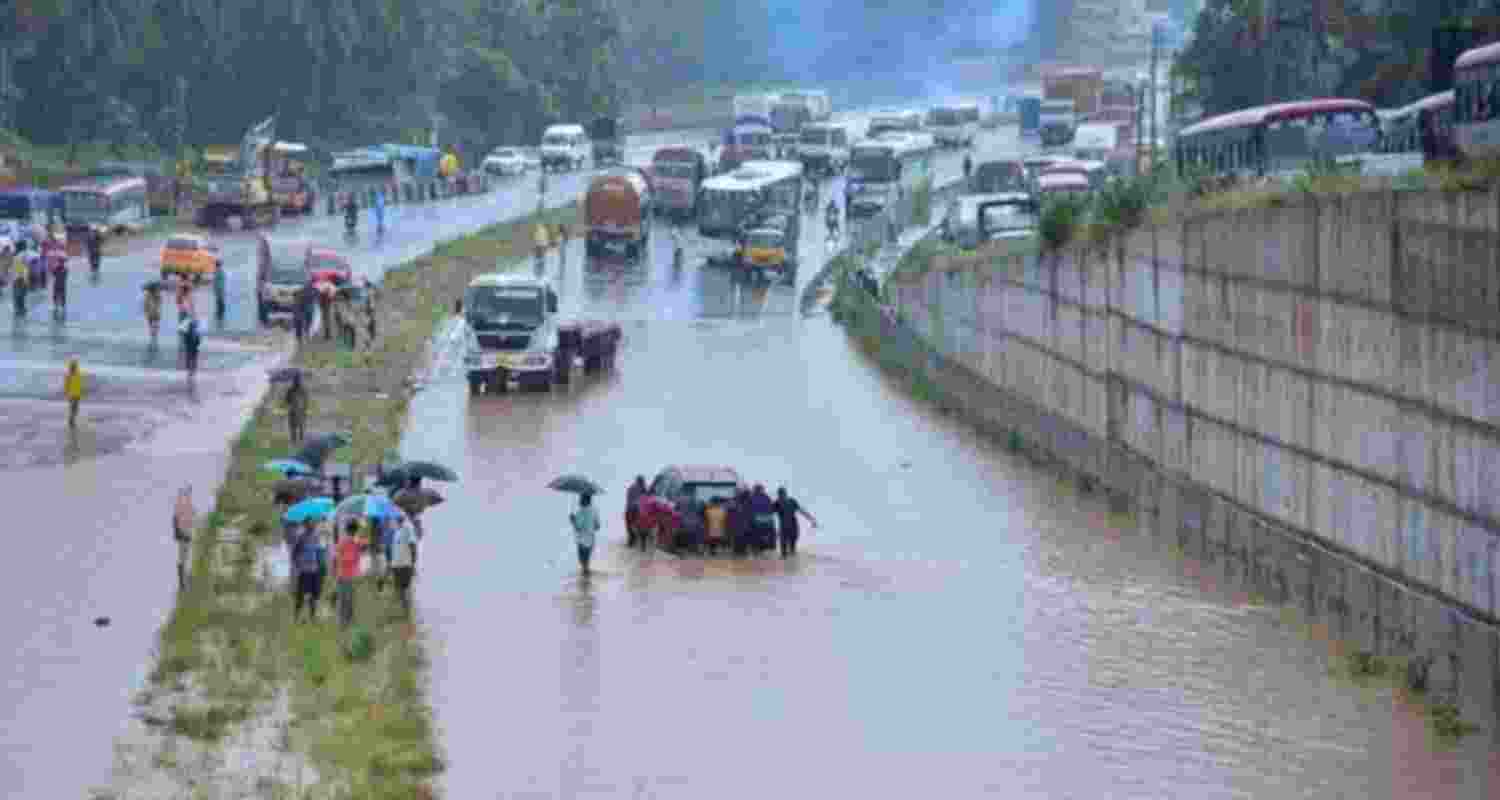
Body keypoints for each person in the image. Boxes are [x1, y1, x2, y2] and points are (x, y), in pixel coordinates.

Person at [292, 522, 327, 622]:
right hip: (304, 570)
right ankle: (296, 616)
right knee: (300, 596)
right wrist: (298, 564)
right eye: (309, 524)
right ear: (305, 526)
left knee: (314, 596)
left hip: (315, 570)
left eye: (313, 524)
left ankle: (313, 617)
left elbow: (320, 553)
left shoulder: (317, 537)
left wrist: (322, 567)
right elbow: (294, 554)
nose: (311, 526)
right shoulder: (301, 538)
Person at [335, 518, 364, 628]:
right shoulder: (356, 542)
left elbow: (337, 557)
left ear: (347, 530)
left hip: (344, 575)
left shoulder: (343, 541)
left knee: (344, 601)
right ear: (355, 530)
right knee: (350, 601)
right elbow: (361, 550)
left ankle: (344, 624)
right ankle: (348, 623)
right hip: (351, 575)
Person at [773, 487, 818, 557]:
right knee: (788, 551)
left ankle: (791, 565)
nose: (781, 497)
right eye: (781, 495)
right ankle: (790, 565)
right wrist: (811, 519)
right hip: (788, 528)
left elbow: (802, 511)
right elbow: (802, 511)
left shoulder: (784, 502)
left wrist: (812, 519)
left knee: (789, 550)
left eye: (782, 495)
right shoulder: (780, 503)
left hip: (790, 528)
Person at [389, 514, 418, 613]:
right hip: (396, 564)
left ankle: (407, 611)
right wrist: (391, 564)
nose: (397, 518)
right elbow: (395, 549)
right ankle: (405, 610)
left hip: (406, 564)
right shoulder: (396, 530)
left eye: (399, 516)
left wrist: (413, 563)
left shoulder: (408, 528)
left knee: (405, 589)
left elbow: (413, 545)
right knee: (399, 589)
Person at [570, 492, 600, 575]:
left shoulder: (581, 512)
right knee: (586, 561)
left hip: (582, 541)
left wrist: (573, 520)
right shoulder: (594, 511)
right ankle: (586, 574)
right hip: (591, 540)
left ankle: (585, 577)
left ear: (584, 500)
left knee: (582, 561)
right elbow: (597, 526)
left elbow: (578, 527)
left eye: (581, 499)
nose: (579, 501)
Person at [173, 486, 195, 591]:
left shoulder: (189, 507)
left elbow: (193, 519)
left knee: (187, 559)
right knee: (183, 559)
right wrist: (178, 533)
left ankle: (186, 582)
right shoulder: (180, 505)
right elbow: (176, 519)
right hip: (184, 534)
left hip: (188, 534)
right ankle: (183, 583)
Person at [749, 484, 777, 552]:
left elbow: (748, 510)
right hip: (768, 522)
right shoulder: (767, 497)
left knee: (756, 542)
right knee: (768, 544)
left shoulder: (752, 498)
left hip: (757, 522)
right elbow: (772, 509)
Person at [284, 373, 308, 444]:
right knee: (299, 427)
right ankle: (299, 440)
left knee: (295, 427)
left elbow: (287, 401)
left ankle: (296, 441)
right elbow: (306, 401)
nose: (297, 382)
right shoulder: (302, 390)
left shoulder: (291, 390)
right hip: (299, 411)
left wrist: (291, 405)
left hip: (295, 411)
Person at [625, 475, 646, 548]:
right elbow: (646, 499)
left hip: (628, 509)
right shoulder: (643, 488)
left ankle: (631, 542)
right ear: (641, 481)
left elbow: (628, 498)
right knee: (640, 528)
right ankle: (641, 545)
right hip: (637, 510)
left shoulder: (630, 488)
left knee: (630, 528)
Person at [63, 358, 83, 429]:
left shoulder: (78, 374)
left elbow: (80, 384)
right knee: (72, 408)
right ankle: (71, 421)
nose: (73, 367)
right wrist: (66, 393)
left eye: (74, 365)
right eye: (72, 366)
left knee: (76, 409)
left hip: (77, 394)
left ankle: (72, 420)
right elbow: (66, 385)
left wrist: (81, 392)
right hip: (71, 395)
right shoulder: (69, 375)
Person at [180, 314, 202, 378]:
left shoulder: (194, 333)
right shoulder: (191, 333)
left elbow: (198, 341)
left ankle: (191, 370)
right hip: (191, 349)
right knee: (191, 359)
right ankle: (190, 370)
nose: (193, 328)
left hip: (193, 349)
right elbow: (197, 341)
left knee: (192, 359)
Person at [11, 243, 28, 316]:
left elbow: (20, 267)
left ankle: (19, 308)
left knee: (18, 294)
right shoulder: (21, 255)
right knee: (20, 294)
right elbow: (22, 268)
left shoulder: (18, 256)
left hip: (18, 277)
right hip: (19, 277)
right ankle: (20, 308)